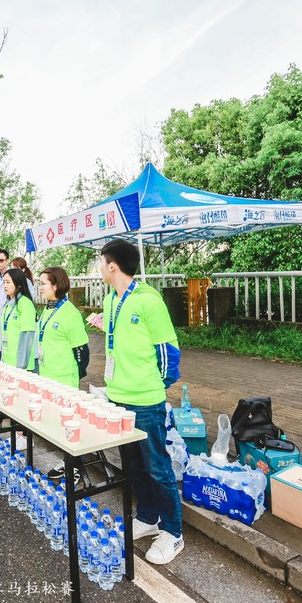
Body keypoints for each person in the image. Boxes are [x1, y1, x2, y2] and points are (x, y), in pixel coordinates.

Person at [99, 238, 183, 565]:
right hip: (117, 398)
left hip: (146, 402)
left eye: (100, 261)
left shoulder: (149, 301)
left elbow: (169, 353)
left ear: (112, 265)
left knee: (158, 467)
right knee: (132, 465)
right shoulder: (110, 301)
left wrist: (154, 387)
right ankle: (148, 518)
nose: (99, 266)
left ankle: (173, 533)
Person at [37, 267, 90, 483]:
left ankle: (76, 467)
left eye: (43, 283)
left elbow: (82, 352)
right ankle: (66, 461)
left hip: (64, 380)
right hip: (48, 377)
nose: (39, 287)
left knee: (69, 425)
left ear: (56, 285)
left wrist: (74, 376)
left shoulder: (70, 313)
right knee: (58, 426)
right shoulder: (47, 309)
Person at [0, 268, 37, 371]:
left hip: (21, 366)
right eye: (4, 282)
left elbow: (26, 336)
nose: (5, 286)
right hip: (8, 362)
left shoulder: (25, 304)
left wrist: (21, 366)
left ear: (19, 284)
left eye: (8, 282)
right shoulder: (8, 304)